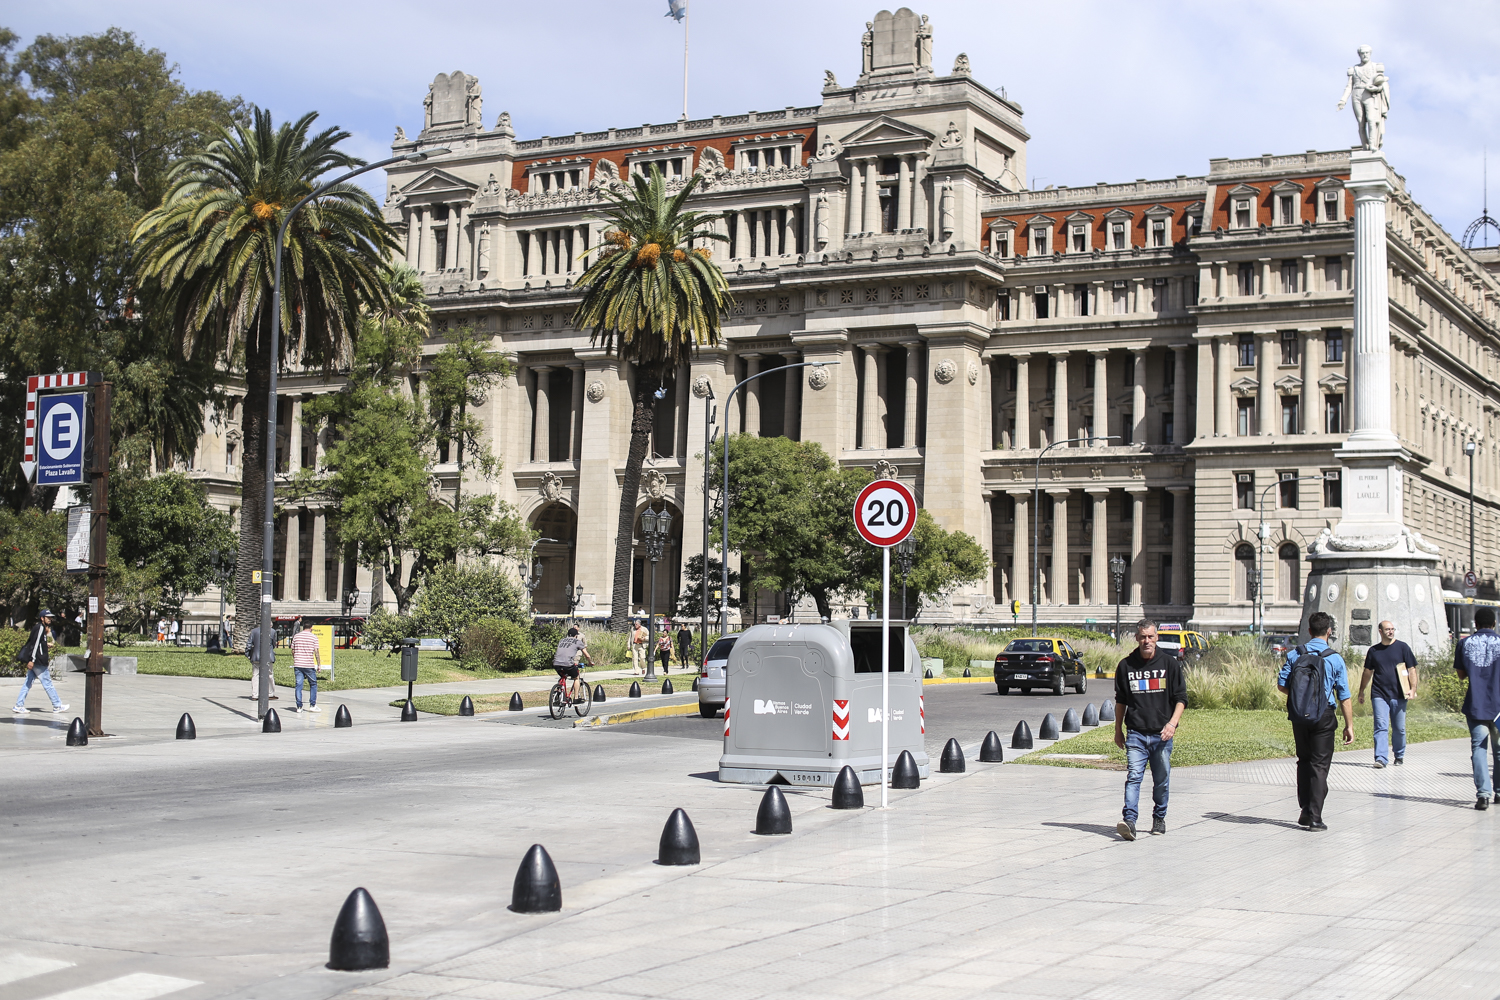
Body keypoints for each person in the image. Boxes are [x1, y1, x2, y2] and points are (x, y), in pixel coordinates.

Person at [1278, 611, 1354, 831]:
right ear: (1329, 631)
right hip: (1324, 715)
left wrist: (1301, 697)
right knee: (1319, 766)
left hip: (1300, 715)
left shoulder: (1295, 654)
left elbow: (1282, 685)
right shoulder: (1334, 658)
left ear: (1309, 631)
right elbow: (1344, 696)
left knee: (1303, 761)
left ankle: (1304, 810)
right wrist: (1349, 725)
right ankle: (1315, 817)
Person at [1113, 619, 1186, 840]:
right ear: (1136, 638)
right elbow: (1121, 702)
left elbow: (1181, 699)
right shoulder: (1126, 666)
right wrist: (1118, 730)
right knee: (1134, 776)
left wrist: (1172, 724)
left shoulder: (1169, 664)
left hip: (1161, 734)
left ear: (1157, 638)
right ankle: (1130, 821)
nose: (1147, 641)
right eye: (1143, 636)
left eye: (1151, 636)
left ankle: (1159, 817)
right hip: (1136, 733)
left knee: (1161, 779)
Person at [1454, 606, 1500, 810]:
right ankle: (1499, 792)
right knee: (1498, 751)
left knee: (1478, 749)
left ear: (1476, 624)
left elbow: (1462, 675)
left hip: (1476, 704)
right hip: (1499, 707)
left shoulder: (1464, 643)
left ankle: (1483, 796)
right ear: (1494, 624)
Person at [1358, 620, 1418, 768]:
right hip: (1379, 694)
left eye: (1392, 629)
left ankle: (1399, 755)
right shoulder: (1374, 651)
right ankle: (1381, 758)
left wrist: (1413, 689)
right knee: (1380, 726)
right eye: (1387, 629)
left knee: (1399, 728)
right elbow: (1367, 672)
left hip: (1399, 694)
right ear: (1380, 631)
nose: (1390, 632)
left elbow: (1411, 669)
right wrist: (1361, 691)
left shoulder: (1403, 647)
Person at [11, 609, 67, 715]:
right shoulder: (40, 628)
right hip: (38, 661)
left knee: (27, 683)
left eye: (51, 617)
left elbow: (38, 644)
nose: (50, 619)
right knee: (48, 683)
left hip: (36, 660)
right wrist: (32, 660)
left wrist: (46, 646)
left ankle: (19, 705)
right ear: (42, 618)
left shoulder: (41, 628)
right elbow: (35, 644)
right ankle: (57, 705)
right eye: (48, 617)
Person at [288, 619, 324, 714]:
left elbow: (292, 650)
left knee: (298, 685)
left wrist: (295, 658)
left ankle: (299, 706)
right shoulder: (313, 637)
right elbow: (316, 651)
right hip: (308, 664)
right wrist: (319, 664)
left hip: (298, 664)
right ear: (311, 628)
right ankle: (312, 705)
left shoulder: (296, 636)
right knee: (313, 684)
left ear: (303, 627)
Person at [552, 626, 593, 703]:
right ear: (576, 635)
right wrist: (590, 662)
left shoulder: (561, 641)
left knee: (563, 676)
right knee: (576, 677)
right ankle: (576, 698)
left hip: (556, 663)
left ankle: (558, 693)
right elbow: (587, 655)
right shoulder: (577, 641)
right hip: (568, 664)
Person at [247, 623, 278, 701]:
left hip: (256, 656)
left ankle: (255, 694)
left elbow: (249, 645)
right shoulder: (272, 631)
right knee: (269, 674)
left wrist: (248, 654)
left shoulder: (254, 631)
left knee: (255, 675)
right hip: (268, 656)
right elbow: (274, 644)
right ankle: (270, 693)